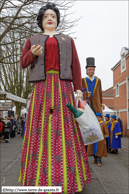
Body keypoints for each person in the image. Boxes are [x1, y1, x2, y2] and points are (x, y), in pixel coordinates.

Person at [18, 3, 91, 193]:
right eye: (46, 16)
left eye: (53, 16)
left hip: (63, 87)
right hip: (41, 88)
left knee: (66, 128)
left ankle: (68, 178)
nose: (50, 18)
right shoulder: (32, 39)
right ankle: (37, 178)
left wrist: (78, 88)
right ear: (41, 20)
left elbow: (75, 64)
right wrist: (32, 54)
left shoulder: (68, 40)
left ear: (57, 20)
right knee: (39, 128)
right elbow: (22, 63)